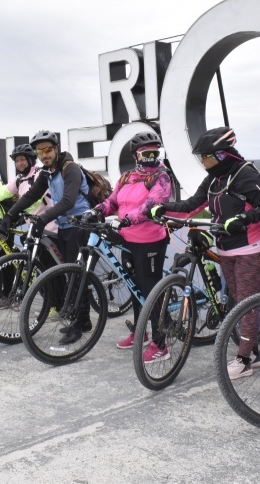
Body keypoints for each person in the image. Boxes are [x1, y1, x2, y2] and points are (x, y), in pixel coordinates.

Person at [150, 127, 260, 367]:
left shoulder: (246, 175)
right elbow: (192, 204)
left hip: (254, 248)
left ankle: (245, 359)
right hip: (227, 249)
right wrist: (163, 209)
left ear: (222, 154)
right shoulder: (214, 179)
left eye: (205, 156)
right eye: (201, 157)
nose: (202, 161)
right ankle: (252, 351)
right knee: (236, 303)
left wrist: (243, 220)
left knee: (245, 304)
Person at [82, 131, 172, 353]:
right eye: (146, 153)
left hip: (151, 241)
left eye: (155, 152)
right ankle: (140, 333)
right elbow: (112, 202)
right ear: (136, 156)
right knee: (134, 288)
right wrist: (94, 211)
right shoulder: (127, 177)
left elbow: (152, 205)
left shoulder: (161, 176)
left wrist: (128, 219)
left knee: (150, 290)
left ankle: (161, 344)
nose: (151, 157)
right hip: (127, 240)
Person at [0, 130, 92, 344]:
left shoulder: (71, 169)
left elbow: (68, 201)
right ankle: (85, 320)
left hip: (81, 225)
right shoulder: (48, 173)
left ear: (56, 149)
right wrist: (10, 215)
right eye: (40, 151)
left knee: (77, 276)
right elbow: (31, 195)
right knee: (73, 274)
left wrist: (43, 219)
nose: (44, 154)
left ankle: (79, 323)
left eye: (48, 149)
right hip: (65, 226)